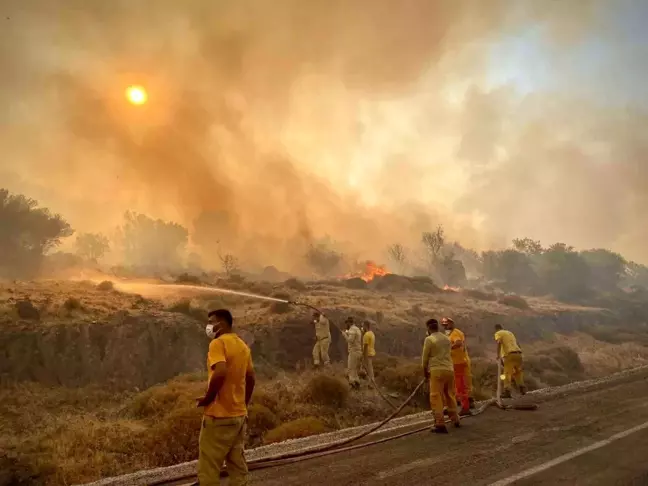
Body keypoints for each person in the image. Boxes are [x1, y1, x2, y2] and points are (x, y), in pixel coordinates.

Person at [197, 309, 255, 486]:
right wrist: (242, 405)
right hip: (238, 416)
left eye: (211, 321)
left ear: (221, 324)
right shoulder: (242, 345)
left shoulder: (218, 343)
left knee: (209, 466)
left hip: (218, 416)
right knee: (237, 464)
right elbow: (251, 378)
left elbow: (220, 372)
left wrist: (208, 398)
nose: (208, 326)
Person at [422, 318, 460, 433]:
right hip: (449, 369)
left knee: (436, 396)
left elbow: (425, 358)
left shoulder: (429, 339)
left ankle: (439, 424)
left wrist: (425, 372)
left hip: (437, 371)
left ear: (428, 328)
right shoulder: (446, 338)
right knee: (450, 394)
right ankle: (455, 419)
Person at [441, 317, 472, 416]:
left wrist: (447, 349)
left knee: (460, 386)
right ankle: (451, 406)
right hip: (453, 363)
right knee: (452, 386)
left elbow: (458, 343)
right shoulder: (449, 334)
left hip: (458, 363)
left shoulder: (455, 333)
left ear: (451, 324)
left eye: (447, 324)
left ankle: (465, 407)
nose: (445, 326)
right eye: (444, 325)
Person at [494, 324, 526, 398]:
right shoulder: (510, 333)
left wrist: (498, 355)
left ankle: (507, 391)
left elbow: (499, 342)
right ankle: (522, 388)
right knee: (518, 372)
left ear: (496, 329)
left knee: (507, 373)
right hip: (518, 353)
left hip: (509, 355)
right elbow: (517, 343)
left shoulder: (498, 333)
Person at [343, 316, 363, 389]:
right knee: (354, 370)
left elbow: (350, 340)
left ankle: (352, 384)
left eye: (347, 323)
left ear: (349, 323)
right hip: (359, 351)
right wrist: (347, 332)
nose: (346, 325)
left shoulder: (352, 329)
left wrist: (344, 335)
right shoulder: (357, 329)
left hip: (353, 352)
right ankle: (357, 383)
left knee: (350, 369)